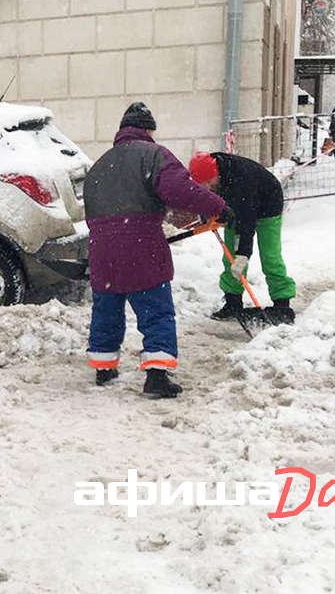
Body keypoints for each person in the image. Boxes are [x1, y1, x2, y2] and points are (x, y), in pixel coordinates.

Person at [81, 103, 228, 399]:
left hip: (102, 250)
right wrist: (219, 207)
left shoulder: (99, 164)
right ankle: (157, 375)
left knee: (106, 309)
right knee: (155, 310)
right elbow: (180, 190)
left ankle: (104, 366)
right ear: (148, 130)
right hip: (141, 246)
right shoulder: (153, 155)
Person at [189, 152, 296, 319]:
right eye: (204, 184)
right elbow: (204, 196)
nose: (208, 187)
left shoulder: (241, 180)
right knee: (230, 257)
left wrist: (244, 254)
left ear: (216, 173)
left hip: (269, 205)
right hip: (237, 207)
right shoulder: (211, 172)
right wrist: (207, 214)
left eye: (209, 182)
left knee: (270, 256)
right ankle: (233, 302)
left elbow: (246, 222)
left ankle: (282, 302)